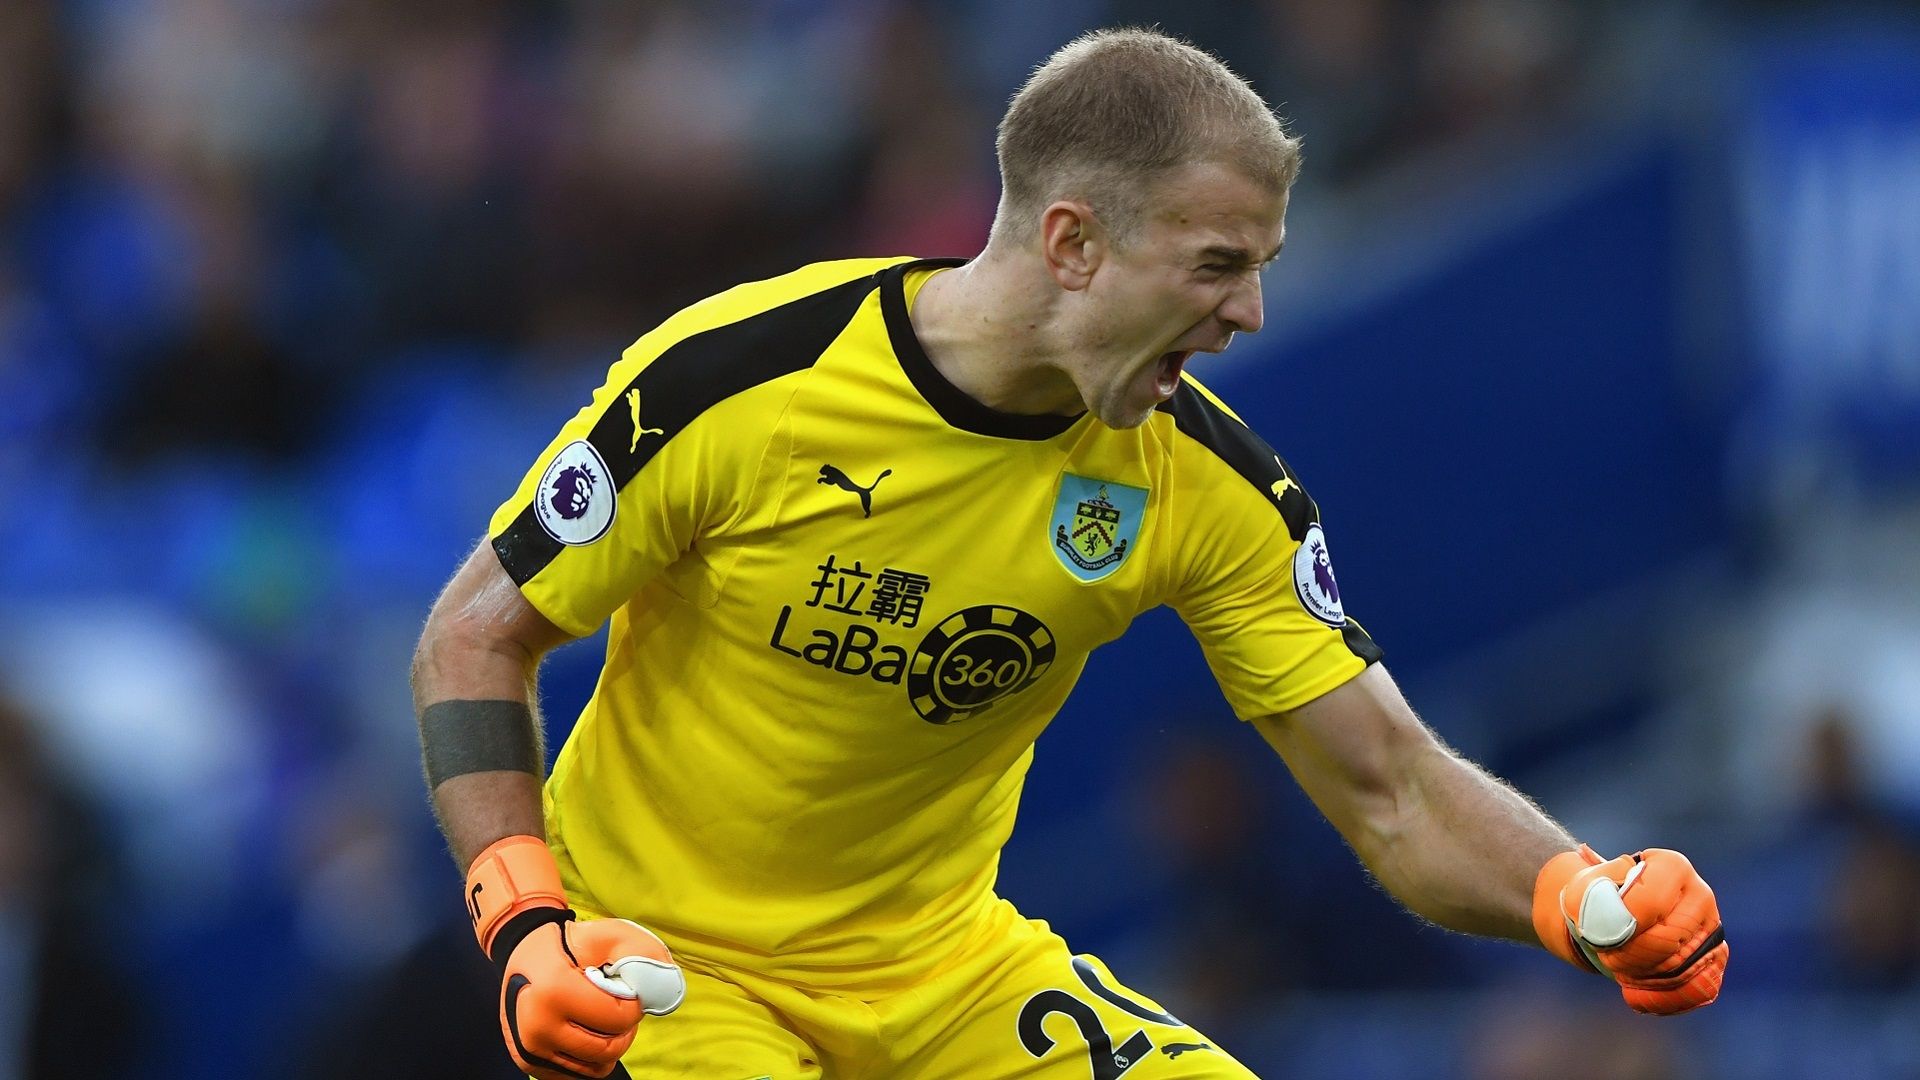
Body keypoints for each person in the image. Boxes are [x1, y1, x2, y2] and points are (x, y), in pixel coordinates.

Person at [411, 28, 1727, 1080]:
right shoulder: (745, 382)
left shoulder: (1202, 484)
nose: (1251, 314)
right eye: (1218, 264)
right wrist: (527, 923)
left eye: (1261, 267)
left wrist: (1575, 890)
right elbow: (475, 635)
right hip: (663, 965)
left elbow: (1390, 787)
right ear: (1073, 241)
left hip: (943, 976)